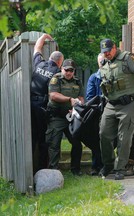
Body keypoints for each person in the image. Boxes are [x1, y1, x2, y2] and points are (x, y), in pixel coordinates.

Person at [98, 38, 134, 180]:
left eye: (108, 51)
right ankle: (108, 164)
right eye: (104, 52)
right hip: (111, 104)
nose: (106, 54)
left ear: (114, 48)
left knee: (124, 138)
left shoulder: (127, 58)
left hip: (128, 104)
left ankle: (120, 169)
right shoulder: (104, 63)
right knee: (103, 134)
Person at [30, 33, 64, 173]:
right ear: (60, 62)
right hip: (43, 107)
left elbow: (37, 48)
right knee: (43, 138)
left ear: (49, 58)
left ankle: (29, 169)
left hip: (30, 104)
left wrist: (44, 36)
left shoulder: (39, 63)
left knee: (31, 137)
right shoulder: (56, 72)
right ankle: (42, 169)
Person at [46, 59, 84, 176]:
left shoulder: (77, 81)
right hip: (56, 117)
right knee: (54, 144)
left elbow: (81, 97)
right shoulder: (56, 79)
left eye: (71, 70)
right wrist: (69, 99)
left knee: (77, 143)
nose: (68, 72)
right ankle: (54, 170)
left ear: (74, 71)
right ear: (62, 69)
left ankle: (76, 169)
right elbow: (53, 95)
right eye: (66, 70)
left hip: (71, 117)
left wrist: (78, 103)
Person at [83, 53, 105, 176]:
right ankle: (95, 166)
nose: (102, 63)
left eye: (104, 61)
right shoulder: (94, 78)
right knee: (96, 139)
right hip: (97, 112)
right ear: (97, 62)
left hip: (111, 111)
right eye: (100, 61)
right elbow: (90, 97)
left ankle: (103, 165)